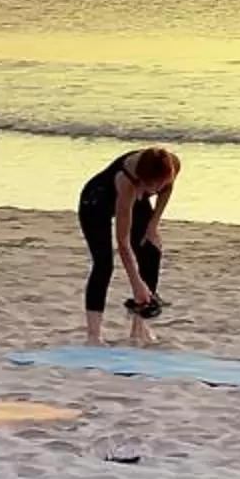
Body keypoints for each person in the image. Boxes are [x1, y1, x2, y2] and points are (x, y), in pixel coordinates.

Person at [79, 147, 180, 346]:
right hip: (97, 201)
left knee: (151, 252)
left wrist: (153, 225)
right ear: (141, 179)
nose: (154, 191)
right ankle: (94, 336)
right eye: (152, 186)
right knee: (103, 264)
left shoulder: (171, 165)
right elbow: (123, 244)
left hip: (136, 196)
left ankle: (138, 327)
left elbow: (167, 190)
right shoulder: (125, 180)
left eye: (158, 186)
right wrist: (136, 284)